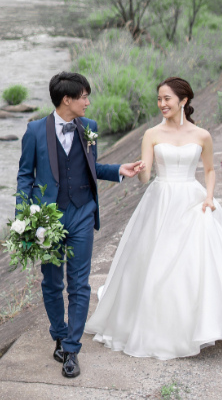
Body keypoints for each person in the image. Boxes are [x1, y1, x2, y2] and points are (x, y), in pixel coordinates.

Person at [83, 77, 222, 360]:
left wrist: (209, 197)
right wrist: (141, 170)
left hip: (193, 199)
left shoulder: (202, 135)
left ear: (183, 101)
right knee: (156, 263)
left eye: (167, 99)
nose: (162, 104)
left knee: (197, 263)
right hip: (160, 200)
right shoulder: (151, 134)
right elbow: (146, 177)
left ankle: (202, 322)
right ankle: (162, 327)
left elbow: (209, 170)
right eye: (159, 99)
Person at [16, 71, 144, 378]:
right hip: (48, 217)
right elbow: (25, 177)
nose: (88, 102)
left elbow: (89, 168)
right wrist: (25, 219)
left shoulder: (90, 128)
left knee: (79, 283)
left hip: (83, 212)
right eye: (84, 96)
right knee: (51, 282)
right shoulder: (35, 131)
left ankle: (72, 349)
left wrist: (118, 170)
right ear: (67, 100)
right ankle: (59, 334)